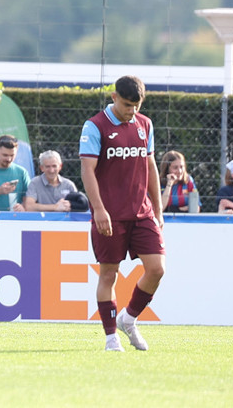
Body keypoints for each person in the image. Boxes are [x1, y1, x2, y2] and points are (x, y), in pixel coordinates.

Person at [79, 75, 166, 352]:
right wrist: (99, 209)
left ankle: (129, 319)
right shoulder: (95, 126)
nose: (132, 111)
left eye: (137, 106)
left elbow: (150, 166)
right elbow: (87, 170)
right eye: (128, 105)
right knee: (109, 275)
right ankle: (110, 337)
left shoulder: (145, 124)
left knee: (157, 269)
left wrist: (157, 208)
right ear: (114, 97)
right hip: (110, 215)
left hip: (141, 213)